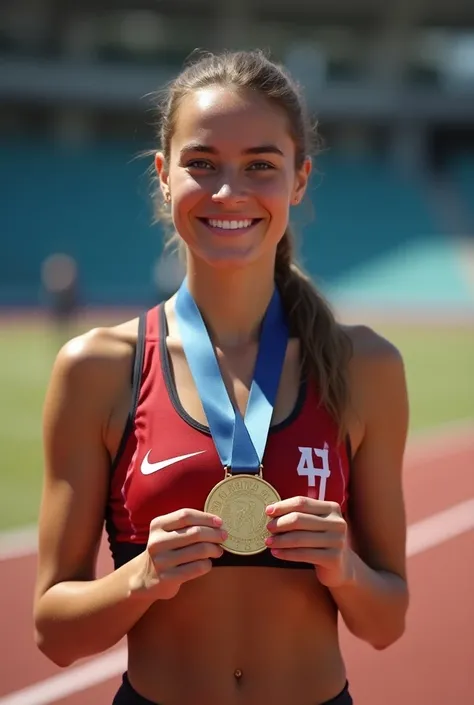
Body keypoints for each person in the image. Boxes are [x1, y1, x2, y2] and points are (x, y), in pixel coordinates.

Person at [33, 50, 410, 705]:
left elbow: (387, 621)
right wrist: (142, 576)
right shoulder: (98, 368)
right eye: (202, 164)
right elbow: (55, 632)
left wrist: (342, 568)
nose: (229, 193)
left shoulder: (365, 367)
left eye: (260, 165)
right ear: (163, 175)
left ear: (299, 179)